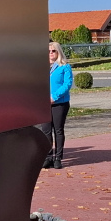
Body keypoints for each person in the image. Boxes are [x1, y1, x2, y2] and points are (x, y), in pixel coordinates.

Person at [45, 41, 73, 169]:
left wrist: (54, 97)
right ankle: (48, 157)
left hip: (59, 103)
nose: (51, 53)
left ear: (58, 52)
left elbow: (67, 84)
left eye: (53, 51)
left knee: (58, 130)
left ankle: (58, 157)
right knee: (46, 131)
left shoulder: (64, 66)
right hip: (43, 104)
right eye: (48, 51)